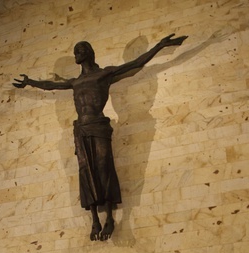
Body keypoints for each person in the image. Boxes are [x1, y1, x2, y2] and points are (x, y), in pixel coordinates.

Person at [13, 34, 187, 241]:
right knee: (85, 170)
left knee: (105, 166)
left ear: (88, 53)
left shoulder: (104, 75)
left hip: (98, 124)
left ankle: (112, 219)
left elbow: (137, 62)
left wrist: (160, 46)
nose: (76, 54)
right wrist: (29, 82)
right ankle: (94, 219)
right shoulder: (75, 82)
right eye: (75, 51)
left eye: (79, 50)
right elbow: (51, 86)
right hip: (81, 128)